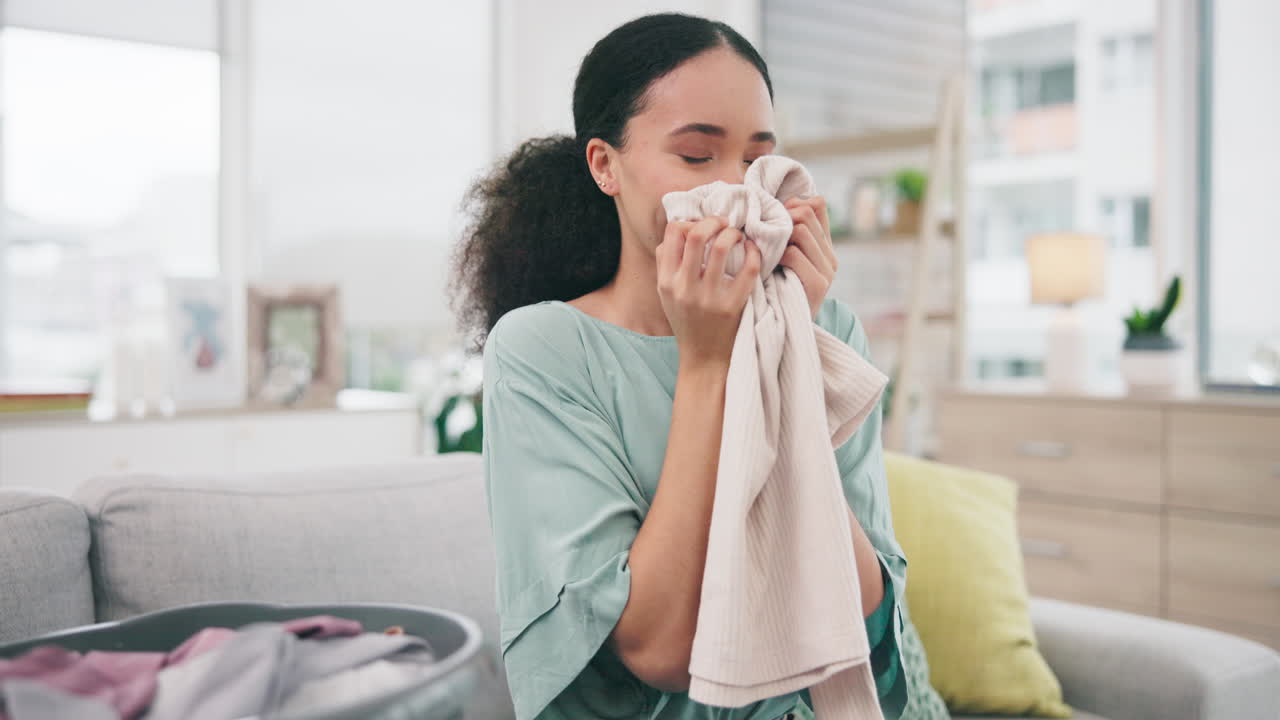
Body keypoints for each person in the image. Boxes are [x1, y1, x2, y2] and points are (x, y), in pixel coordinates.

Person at [449, 12, 913, 720]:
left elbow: (866, 624)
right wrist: (707, 363)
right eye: (697, 158)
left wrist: (787, 348)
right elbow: (662, 649)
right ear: (606, 166)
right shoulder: (542, 351)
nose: (740, 191)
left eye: (758, 161)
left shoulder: (828, 325)